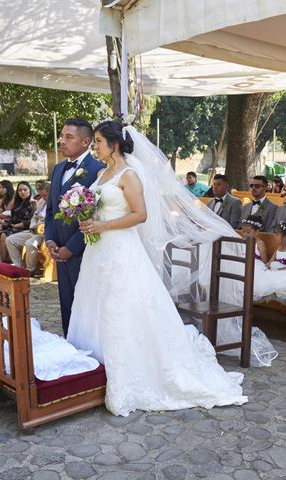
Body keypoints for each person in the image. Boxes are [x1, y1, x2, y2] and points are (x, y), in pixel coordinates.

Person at [67, 120, 251, 416]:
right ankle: (94, 373)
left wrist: (104, 224)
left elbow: (140, 215)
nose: (95, 147)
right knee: (94, 303)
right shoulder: (102, 173)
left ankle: (131, 373)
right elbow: (97, 205)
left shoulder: (130, 175)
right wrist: (85, 217)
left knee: (121, 307)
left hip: (121, 250)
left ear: (114, 144)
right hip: (98, 250)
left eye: (99, 142)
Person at [45, 118, 104, 336]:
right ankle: (71, 345)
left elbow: (96, 215)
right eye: (62, 136)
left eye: (69, 137)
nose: (62, 141)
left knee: (86, 306)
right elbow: (50, 211)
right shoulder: (58, 168)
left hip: (84, 251)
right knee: (66, 304)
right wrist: (50, 241)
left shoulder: (98, 171)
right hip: (58, 250)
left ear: (85, 141)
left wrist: (71, 248)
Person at [252, 222, 286, 307]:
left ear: (285, 238)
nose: (275, 236)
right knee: (261, 277)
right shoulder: (278, 248)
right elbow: (270, 261)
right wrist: (267, 266)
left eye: (277, 235)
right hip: (276, 270)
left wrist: (277, 270)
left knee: (278, 279)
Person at [6, 181, 50, 276]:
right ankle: (19, 267)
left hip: (45, 233)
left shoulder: (56, 203)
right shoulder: (42, 201)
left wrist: (40, 228)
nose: (43, 197)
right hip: (34, 230)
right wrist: (33, 227)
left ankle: (30, 270)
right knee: (10, 240)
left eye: (45, 195)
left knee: (29, 243)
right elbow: (34, 217)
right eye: (41, 195)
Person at [0, 181, 36, 262]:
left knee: (4, 235)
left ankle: (4, 261)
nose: (22, 192)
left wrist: (17, 225)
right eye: (20, 190)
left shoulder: (33, 203)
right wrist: (6, 220)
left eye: (25, 190)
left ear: (29, 190)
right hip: (12, 226)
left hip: (23, 228)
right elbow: (13, 216)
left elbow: (31, 221)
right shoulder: (18, 203)